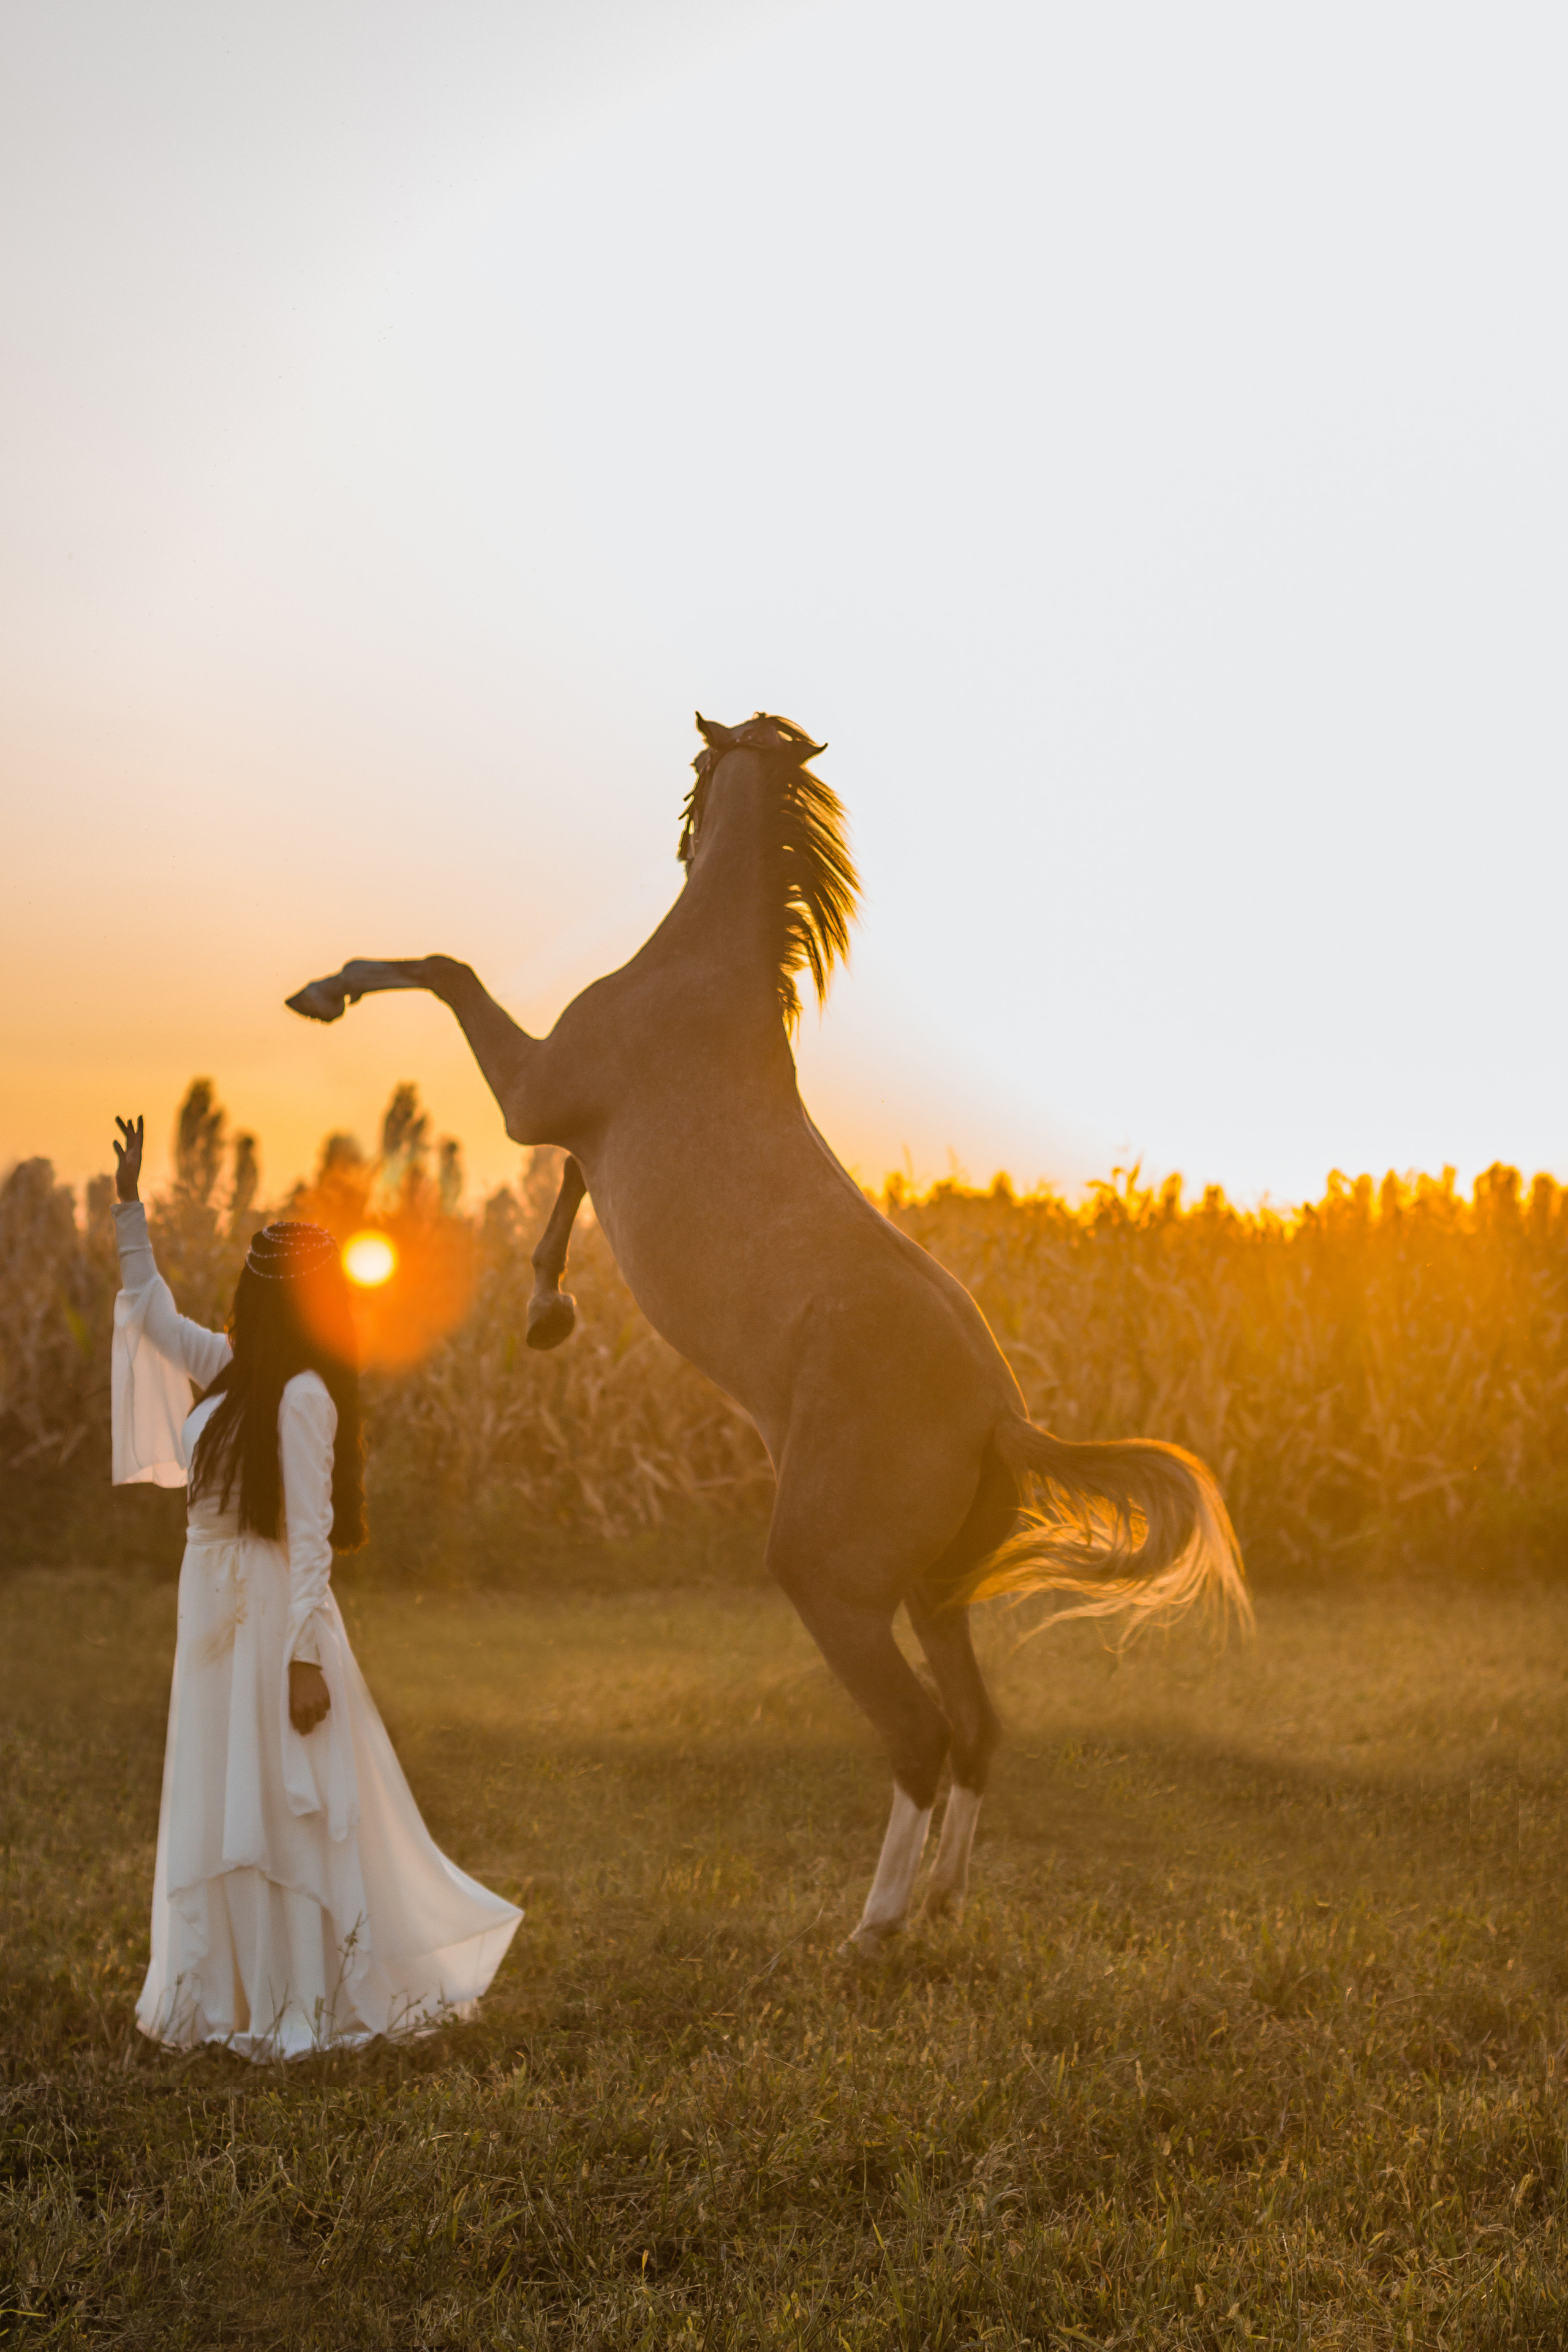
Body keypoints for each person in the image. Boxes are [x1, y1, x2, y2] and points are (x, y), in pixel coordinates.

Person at [111, 1113, 521, 2059]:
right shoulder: (229, 1374)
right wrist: (131, 1208)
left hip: (268, 1617)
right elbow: (158, 1320)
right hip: (209, 1602)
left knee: (278, 1804)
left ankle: (301, 2000)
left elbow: (309, 1540)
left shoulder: (302, 1397)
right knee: (222, 1792)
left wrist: (303, 1658)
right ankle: (227, 1997)